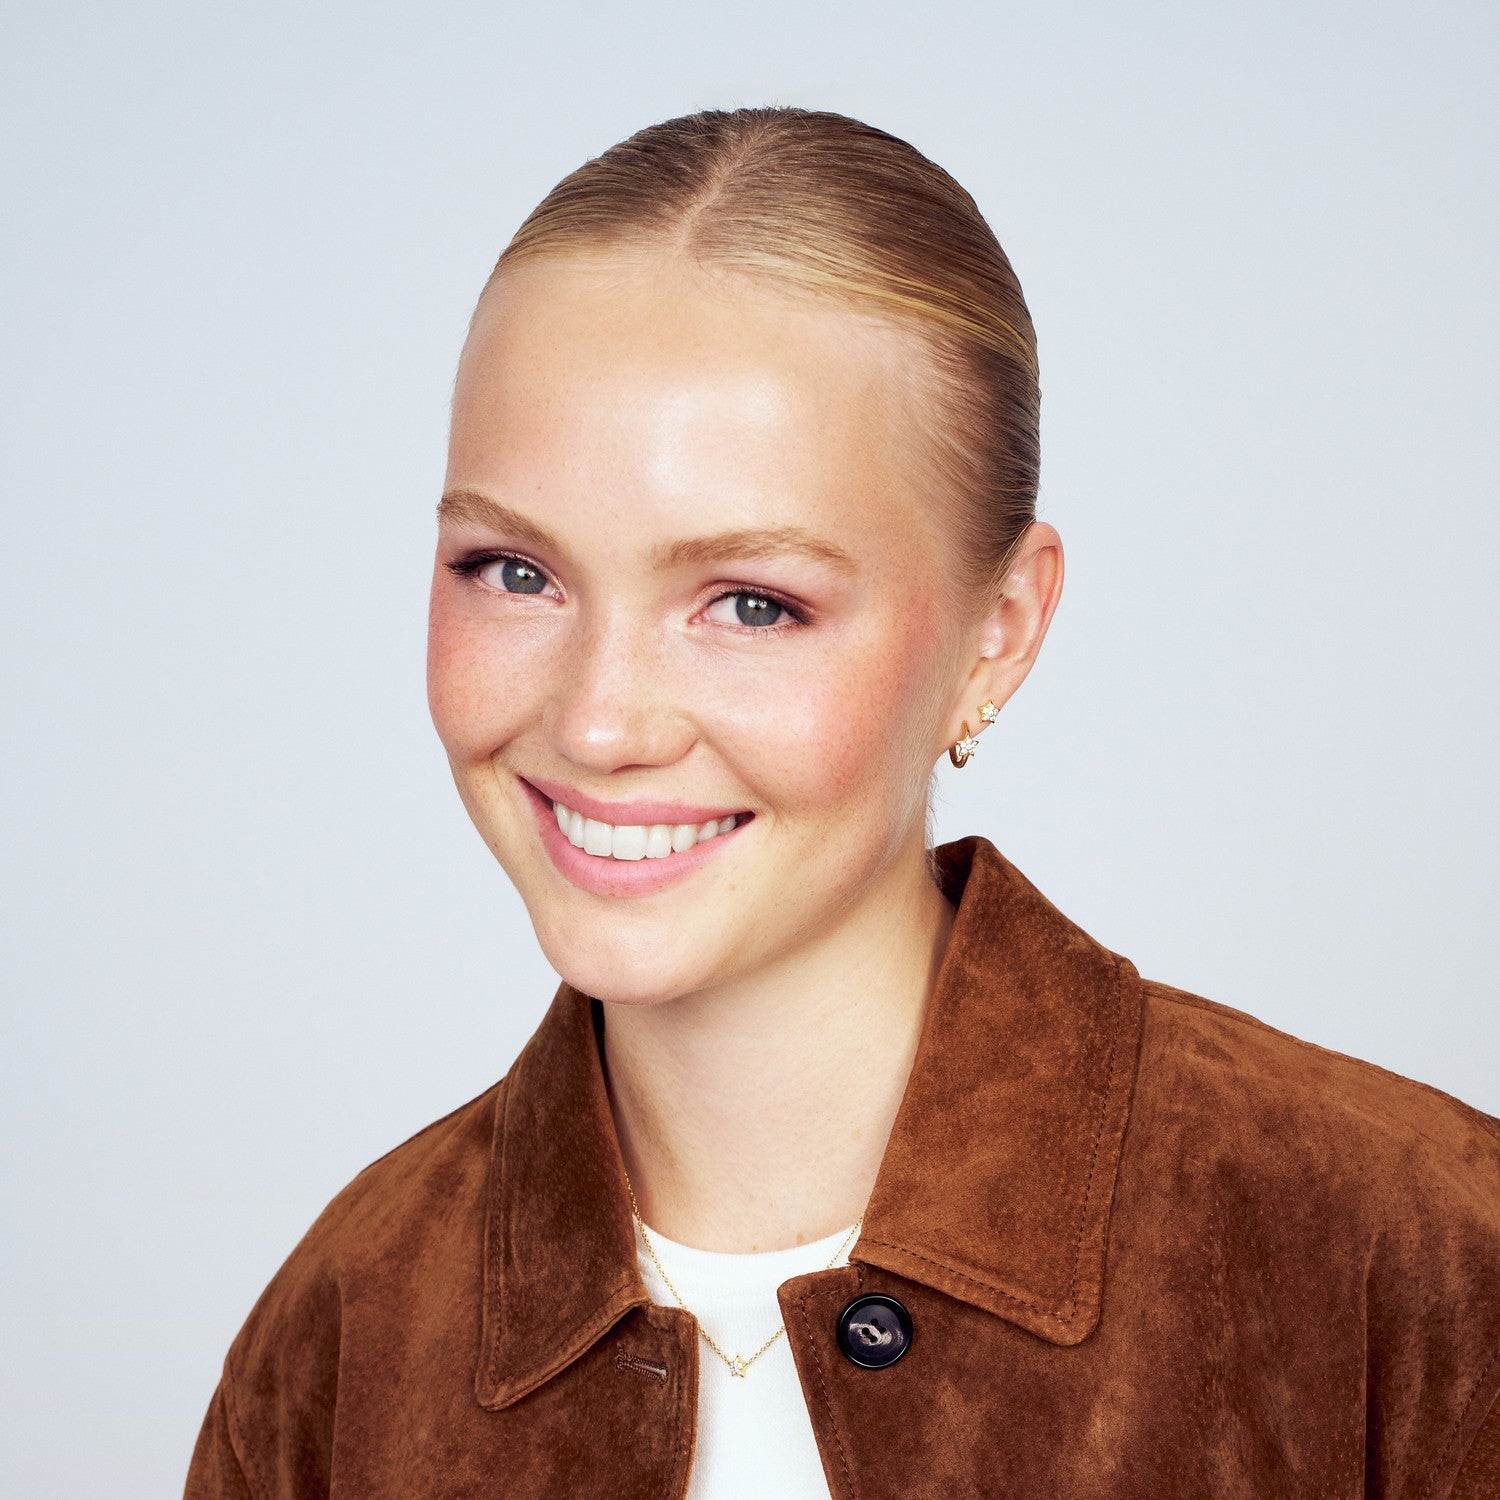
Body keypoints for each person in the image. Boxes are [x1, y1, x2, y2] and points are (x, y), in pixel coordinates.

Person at [184, 107, 1500, 1499]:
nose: (598, 723)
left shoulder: (1412, 1260)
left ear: (998, 630)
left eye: (752, 603)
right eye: (516, 573)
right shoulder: (348, 1333)